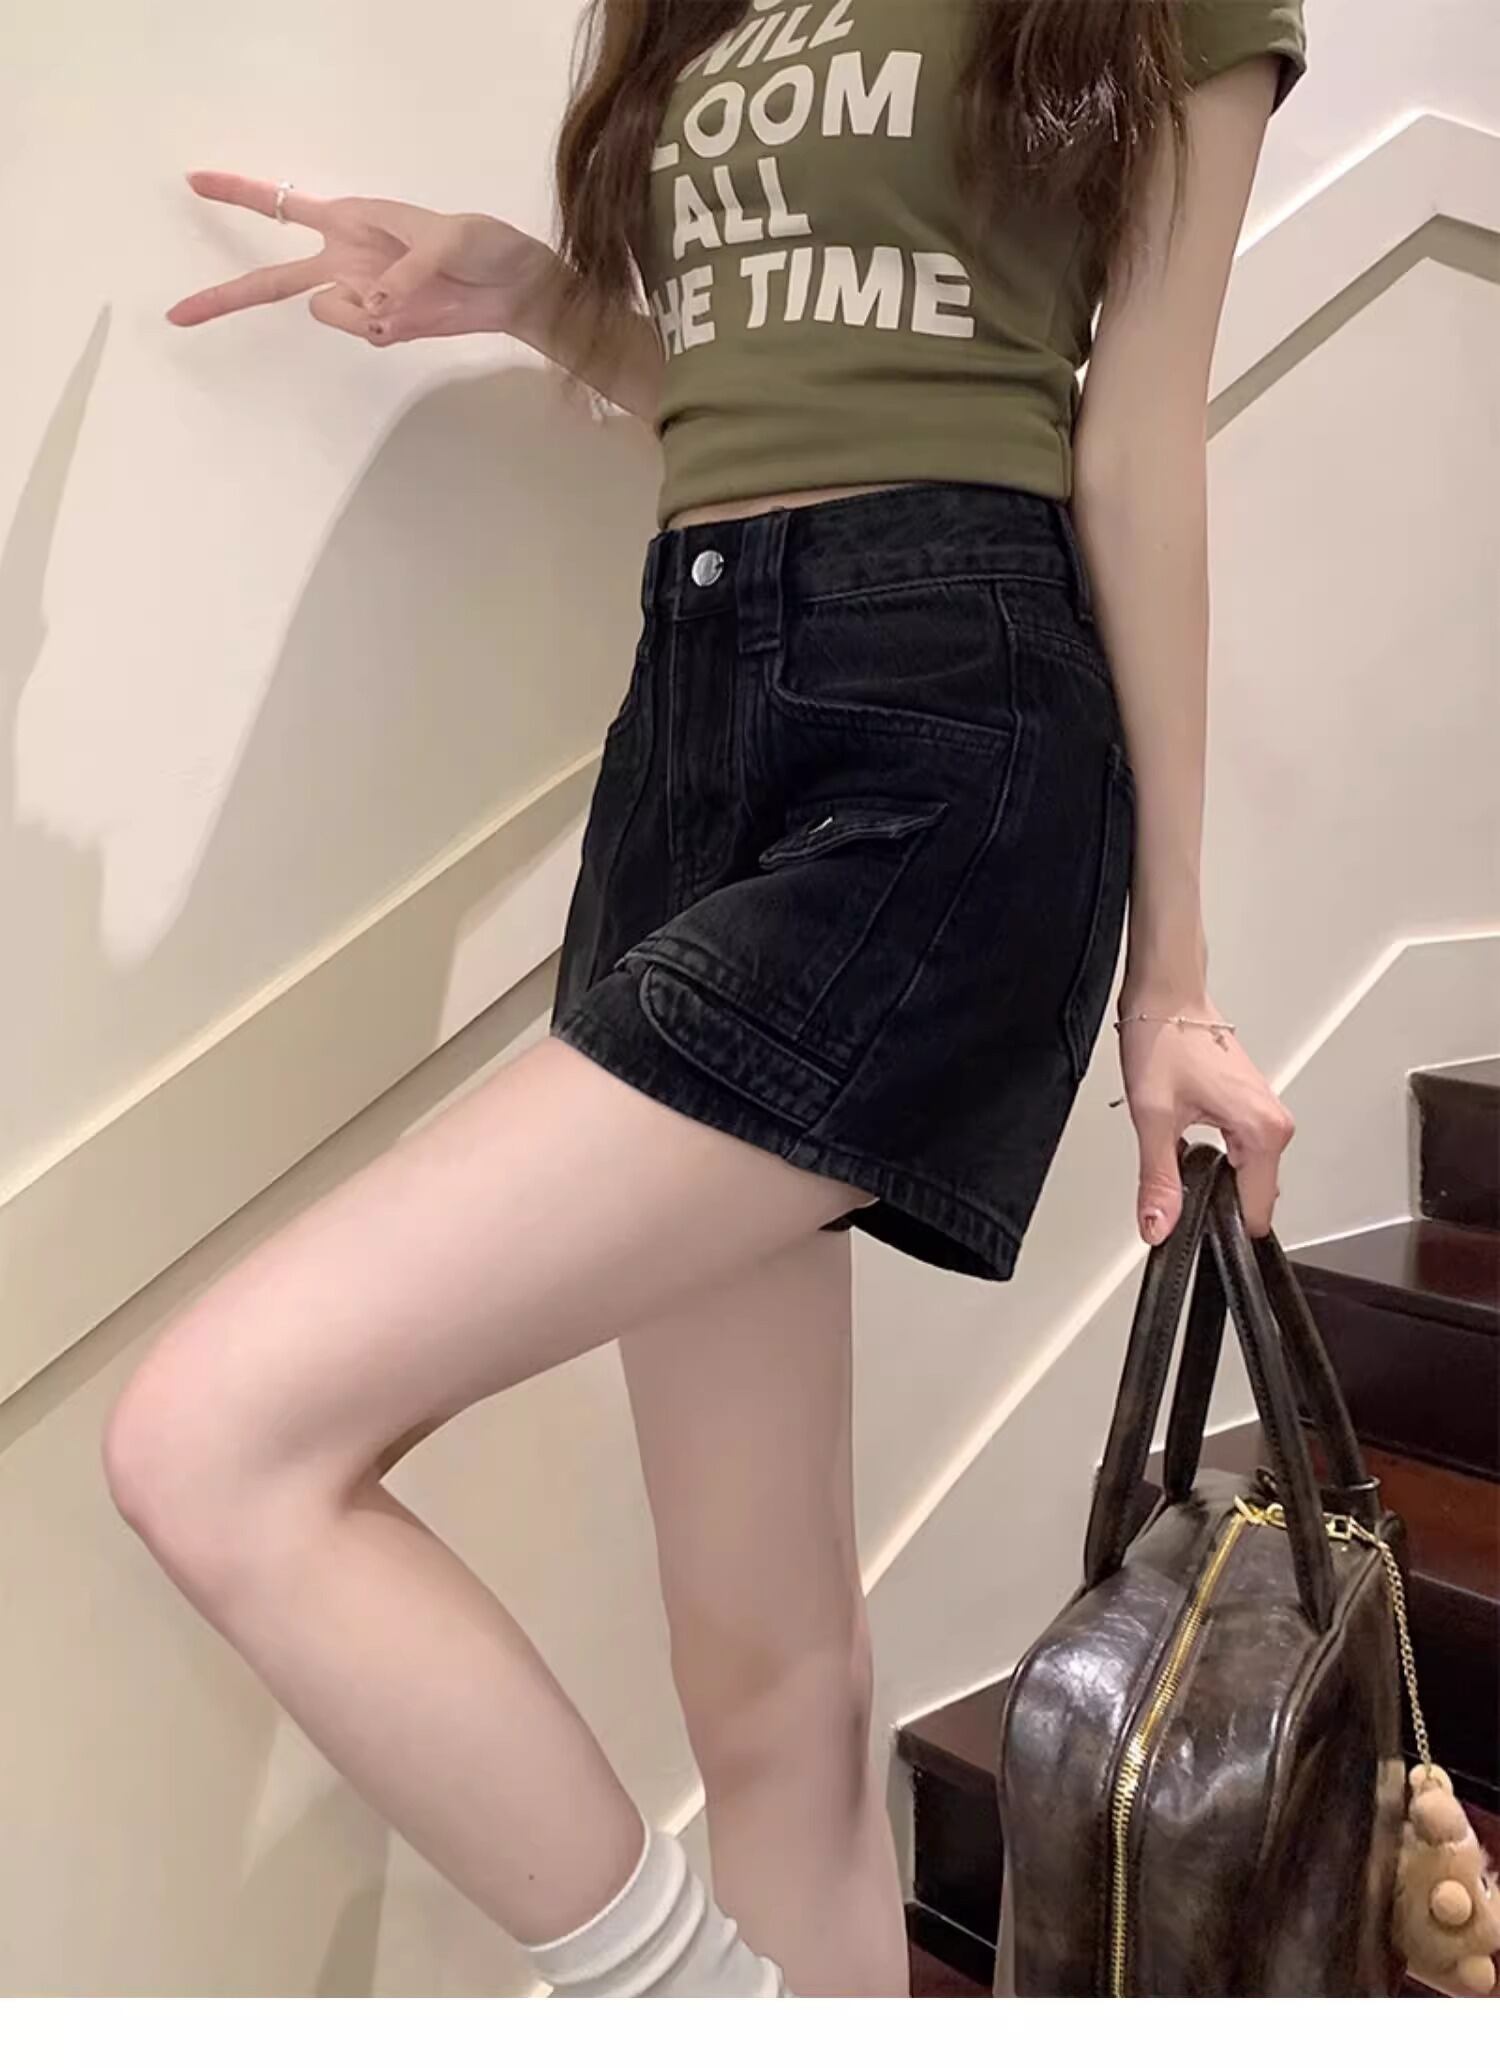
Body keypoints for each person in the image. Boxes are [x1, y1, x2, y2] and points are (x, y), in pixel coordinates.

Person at [107, 0, 1304, 1999]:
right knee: (763, 1670)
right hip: (688, 724)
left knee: (214, 1440)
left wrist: (1169, 969)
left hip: (945, 719)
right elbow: (766, 384)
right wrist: (536, 293)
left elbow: (1131, 430)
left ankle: (684, 2011)